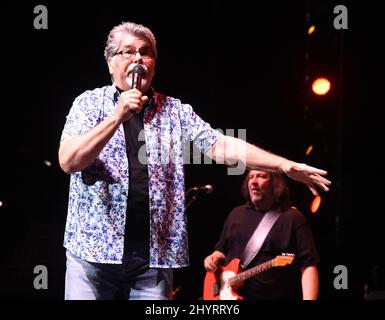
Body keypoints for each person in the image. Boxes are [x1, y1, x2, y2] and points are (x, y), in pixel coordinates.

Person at [58, 21, 330, 300]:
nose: (138, 58)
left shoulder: (174, 111)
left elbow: (220, 145)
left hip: (153, 261)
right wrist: (117, 117)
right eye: (127, 52)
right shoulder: (88, 105)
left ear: (154, 63)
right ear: (110, 63)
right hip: (92, 254)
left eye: (146, 52)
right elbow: (68, 161)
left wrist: (284, 165)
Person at [203, 170, 319, 300]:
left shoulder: (292, 217)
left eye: (261, 176)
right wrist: (212, 258)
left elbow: (308, 265)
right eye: (251, 177)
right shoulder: (236, 214)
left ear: (274, 183)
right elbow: (221, 251)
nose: (253, 181)